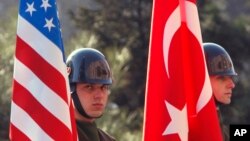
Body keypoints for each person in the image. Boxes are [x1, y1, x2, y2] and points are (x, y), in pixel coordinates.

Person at [66, 48, 116, 141]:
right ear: (70, 89)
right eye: (89, 87)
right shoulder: (55, 136)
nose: (99, 95)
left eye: (103, 87)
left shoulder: (108, 139)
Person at [203, 42, 237, 141]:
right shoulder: (189, 126)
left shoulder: (213, 116)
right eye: (221, 78)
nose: (232, 85)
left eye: (230, 78)